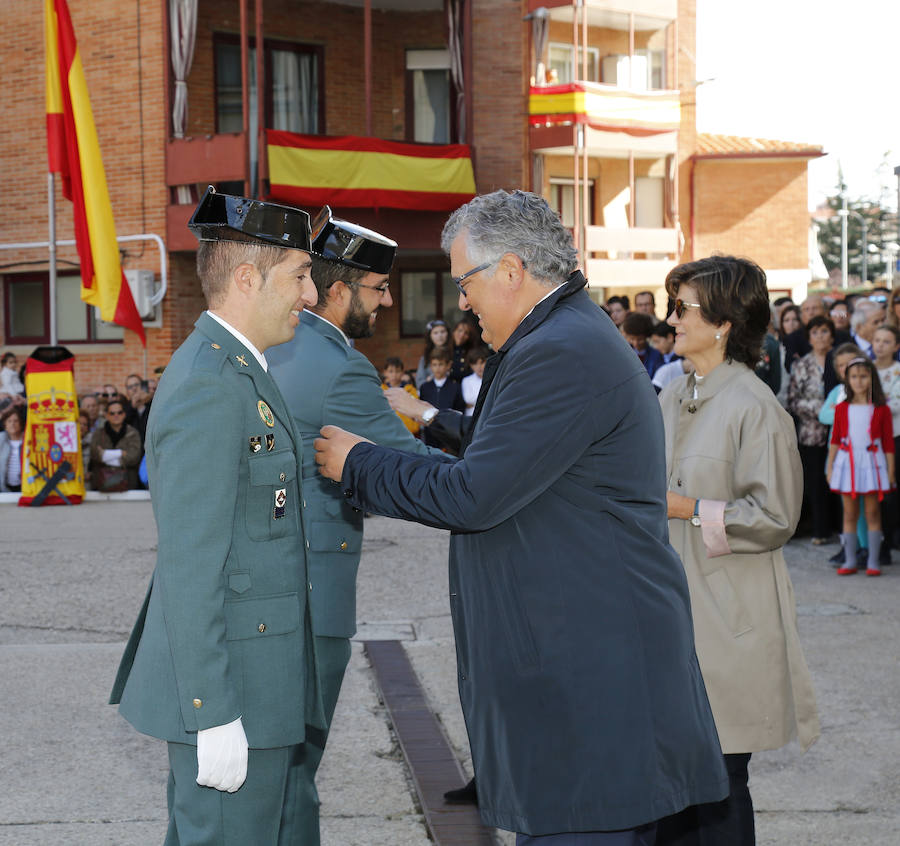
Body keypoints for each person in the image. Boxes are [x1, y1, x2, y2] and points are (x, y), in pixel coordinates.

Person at [314, 189, 728, 844]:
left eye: (465, 283)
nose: (463, 303)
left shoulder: (560, 352)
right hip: (578, 671)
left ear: (509, 270)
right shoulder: (553, 339)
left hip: (588, 689)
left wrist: (360, 464)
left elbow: (474, 493)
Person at [109, 186, 325, 846]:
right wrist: (212, 713)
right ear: (246, 278)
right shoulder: (209, 382)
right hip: (236, 690)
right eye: (301, 275)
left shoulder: (242, 371)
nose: (311, 295)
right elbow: (190, 565)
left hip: (263, 682)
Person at [267, 207, 439, 846]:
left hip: (274, 574)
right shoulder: (341, 365)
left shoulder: (278, 344)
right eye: (379, 288)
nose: (389, 301)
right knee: (297, 761)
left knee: (269, 761)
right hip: (314, 587)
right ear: (338, 291)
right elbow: (413, 468)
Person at [657, 255, 820, 846]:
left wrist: (689, 507)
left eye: (682, 307)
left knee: (719, 783)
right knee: (669, 782)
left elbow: (776, 517)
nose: (669, 318)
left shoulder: (756, 407)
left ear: (724, 321)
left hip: (727, 624)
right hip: (668, 617)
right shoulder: (669, 397)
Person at [827, 357, 896, 576]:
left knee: (873, 512)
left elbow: (887, 442)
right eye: (854, 376)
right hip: (847, 463)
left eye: (863, 376)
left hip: (872, 463)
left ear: (871, 378)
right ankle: (849, 560)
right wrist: (830, 466)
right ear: (847, 379)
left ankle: (873, 561)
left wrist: (891, 469)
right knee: (849, 513)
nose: (858, 381)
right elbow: (835, 439)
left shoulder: (881, 409)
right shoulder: (841, 408)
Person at [787, 315, 836, 545]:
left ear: (832, 335)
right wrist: (823, 409)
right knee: (815, 482)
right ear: (809, 337)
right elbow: (793, 400)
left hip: (841, 431)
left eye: (824, 331)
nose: (820, 336)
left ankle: (841, 528)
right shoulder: (801, 365)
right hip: (811, 431)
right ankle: (820, 529)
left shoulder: (841, 360)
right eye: (815, 332)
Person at [873, 325, 900, 560]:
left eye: (886, 341)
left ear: (896, 346)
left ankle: (892, 535)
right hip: (870, 439)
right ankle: (878, 539)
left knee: (892, 487)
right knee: (874, 490)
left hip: (894, 436)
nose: (880, 345)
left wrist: (875, 406)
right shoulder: (865, 370)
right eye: (877, 340)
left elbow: (895, 405)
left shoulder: (898, 371)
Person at [89, 398, 142, 491]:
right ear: (106, 415)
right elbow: (94, 454)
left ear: (124, 414)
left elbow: (134, 457)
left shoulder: (133, 433)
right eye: (112, 413)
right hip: (102, 485)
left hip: (128, 486)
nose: (116, 416)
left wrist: (105, 454)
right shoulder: (98, 433)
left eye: (119, 412)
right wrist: (121, 453)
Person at [418, 346, 465, 447]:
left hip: (449, 434)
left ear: (448, 365)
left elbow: (460, 409)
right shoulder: (425, 387)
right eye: (434, 365)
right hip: (430, 433)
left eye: (441, 364)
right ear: (430, 366)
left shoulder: (455, 387)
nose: (437, 368)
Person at [383, 357, 421, 435]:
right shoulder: (381, 391)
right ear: (385, 373)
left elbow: (415, 412)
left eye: (397, 371)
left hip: (408, 432)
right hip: (387, 432)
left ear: (403, 373)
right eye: (391, 371)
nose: (394, 374)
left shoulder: (411, 391)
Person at [621, 312, 664, 379]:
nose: (636, 343)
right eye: (632, 339)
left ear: (646, 337)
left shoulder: (656, 355)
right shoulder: (624, 353)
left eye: (640, 339)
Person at [415, 318, 450, 388]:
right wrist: (431, 380)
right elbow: (419, 382)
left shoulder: (454, 353)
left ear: (448, 334)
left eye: (442, 332)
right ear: (430, 336)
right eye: (435, 333)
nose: (440, 336)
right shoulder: (425, 357)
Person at [0, 406, 25, 492]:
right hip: (4, 488)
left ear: (21, 424)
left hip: (25, 487)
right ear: (5, 425)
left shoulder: (27, 440)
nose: (12, 424)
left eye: (16, 421)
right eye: (9, 421)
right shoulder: (1, 440)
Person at [461, 345, 489, 417]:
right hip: (471, 417)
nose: (479, 367)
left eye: (481, 362)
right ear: (470, 365)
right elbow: (468, 399)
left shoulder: (492, 378)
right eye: (475, 364)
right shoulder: (466, 380)